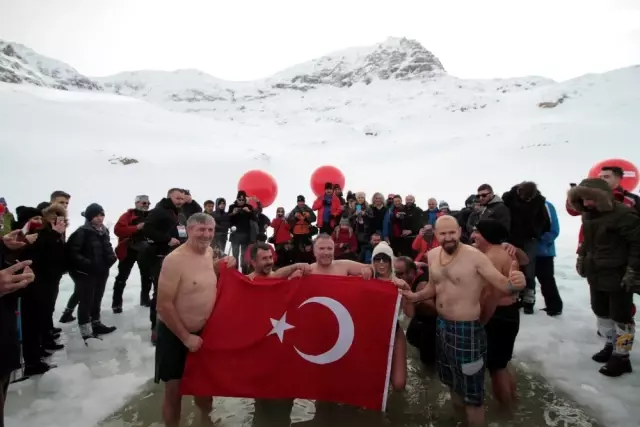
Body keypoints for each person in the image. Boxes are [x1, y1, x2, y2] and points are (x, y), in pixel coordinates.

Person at [399, 216, 526, 427]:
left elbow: (503, 285)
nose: (448, 238)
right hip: (442, 326)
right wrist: (414, 297)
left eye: (452, 232)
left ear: (459, 231)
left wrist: (516, 283)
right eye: (443, 233)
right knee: (451, 382)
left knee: (473, 394)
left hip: (467, 329)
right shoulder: (432, 255)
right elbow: (433, 287)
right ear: (436, 235)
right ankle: (459, 420)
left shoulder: (475, 257)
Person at [154, 213, 236, 427]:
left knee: (205, 387)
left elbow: (202, 275)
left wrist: (221, 264)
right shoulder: (174, 260)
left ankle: (205, 421)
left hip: (203, 333)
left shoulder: (208, 252)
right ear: (189, 230)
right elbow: (163, 305)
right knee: (174, 392)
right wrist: (186, 337)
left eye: (210, 230)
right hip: (175, 334)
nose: (206, 234)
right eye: (201, 229)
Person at [569, 178, 640, 377]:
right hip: (596, 271)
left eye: (589, 199)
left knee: (621, 317)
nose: (586, 203)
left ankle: (622, 357)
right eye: (582, 199)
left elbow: (637, 244)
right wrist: (582, 256)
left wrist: (633, 270)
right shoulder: (589, 215)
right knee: (601, 311)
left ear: (601, 197)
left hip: (618, 273)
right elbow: (587, 241)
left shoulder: (624, 214)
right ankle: (610, 346)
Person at [472, 219, 529, 407]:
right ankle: (512, 402)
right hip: (510, 313)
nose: (473, 235)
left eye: (476, 232)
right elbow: (524, 260)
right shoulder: (505, 252)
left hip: (497, 314)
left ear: (486, 235)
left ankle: (506, 410)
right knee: (502, 364)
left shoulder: (492, 258)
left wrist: (480, 321)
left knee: (496, 368)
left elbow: (491, 295)